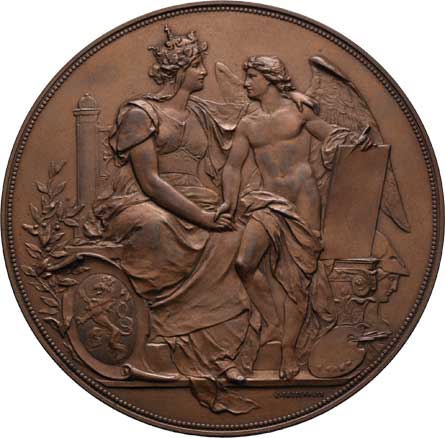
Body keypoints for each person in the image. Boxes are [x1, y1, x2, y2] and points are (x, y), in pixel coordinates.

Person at [217, 55, 372, 380]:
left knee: (297, 284)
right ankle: (272, 320)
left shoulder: (299, 111)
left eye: (252, 77)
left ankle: (288, 350)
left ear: (270, 78)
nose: (246, 83)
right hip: (268, 201)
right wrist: (228, 202)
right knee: (244, 263)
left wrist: (356, 141)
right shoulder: (248, 124)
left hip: (303, 202)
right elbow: (232, 167)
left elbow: (330, 135)